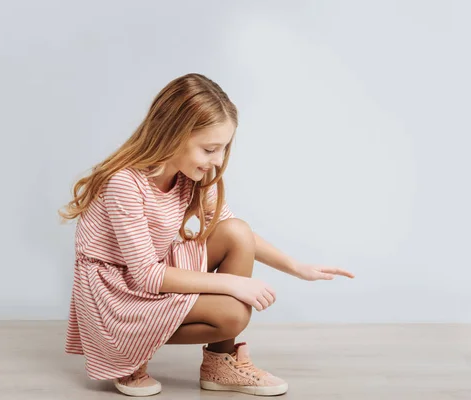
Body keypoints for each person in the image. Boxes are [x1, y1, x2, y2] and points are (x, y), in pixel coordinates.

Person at [59, 73, 355, 397]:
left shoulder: (190, 176)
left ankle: (219, 363)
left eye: (223, 149)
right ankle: (128, 349)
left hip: (152, 271)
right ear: (172, 135)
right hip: (117, 292)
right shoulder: (125, 184)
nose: (217, 160)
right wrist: (233, 284)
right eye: (209, 149)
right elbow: (145, 275)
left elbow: (233, 231)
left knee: (237, 232)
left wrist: (297, 267)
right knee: (233, 313)